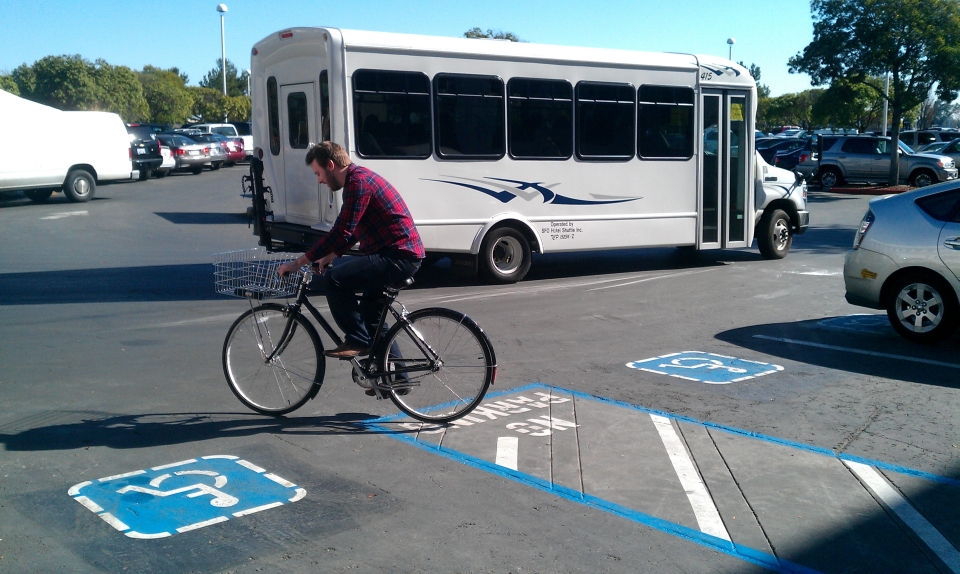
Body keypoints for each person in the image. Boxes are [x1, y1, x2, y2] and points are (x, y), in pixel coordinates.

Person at [278, 141, 424, 361]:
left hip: (398, 256)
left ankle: (357, 340)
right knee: (370, 315)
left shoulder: (358, 183)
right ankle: (399, 378)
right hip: (399, 254)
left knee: (335, 281)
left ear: (330, 165)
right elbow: (354, 229)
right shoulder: (358, 180)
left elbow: (342, 232)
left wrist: (297, 262)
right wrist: (331, 255)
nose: (319, 180)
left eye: (318, 173)